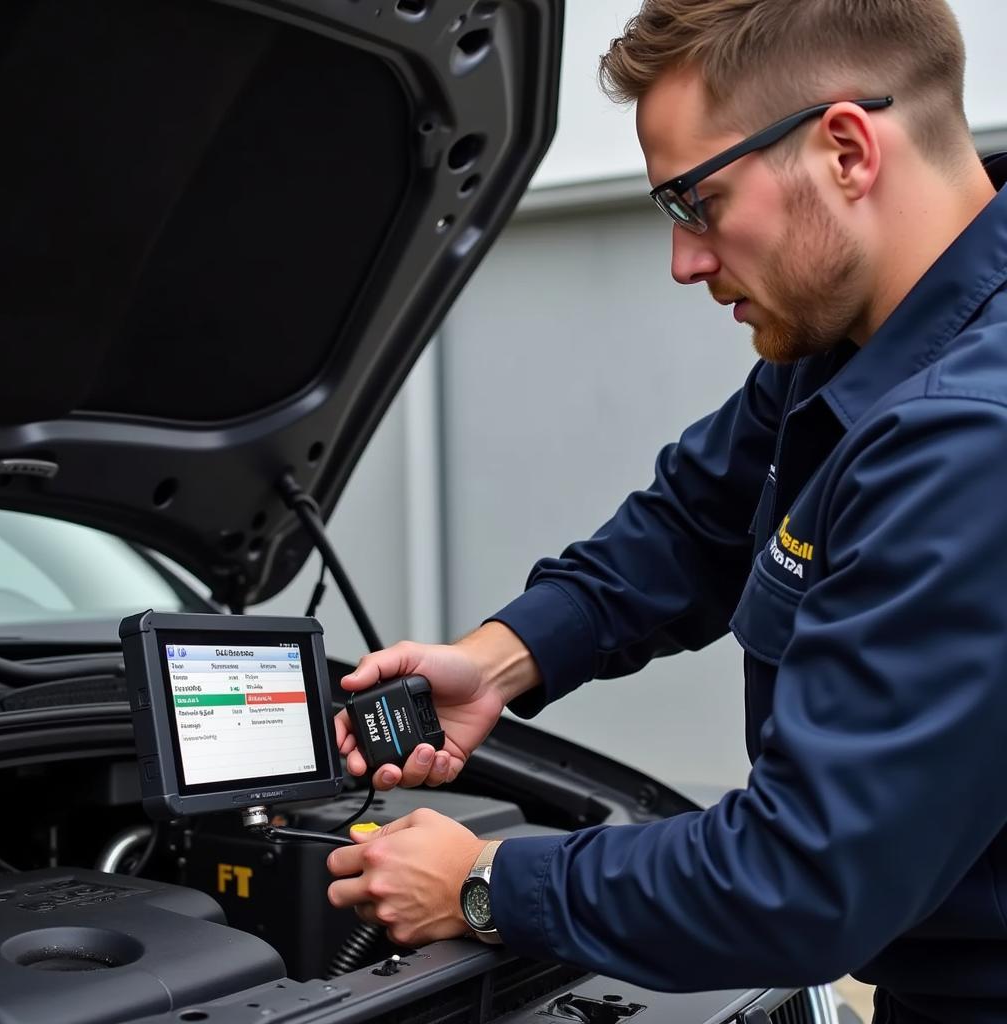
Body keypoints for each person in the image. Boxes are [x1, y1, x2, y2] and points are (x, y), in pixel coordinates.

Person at [326, 2, 1007, 1021]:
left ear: (846, 150)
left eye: (698, 202)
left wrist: (485, 881)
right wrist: (503, 657)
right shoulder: (860, 345)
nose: (684, 262)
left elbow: (803, 877)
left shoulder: (966, 438)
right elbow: (695, 521)